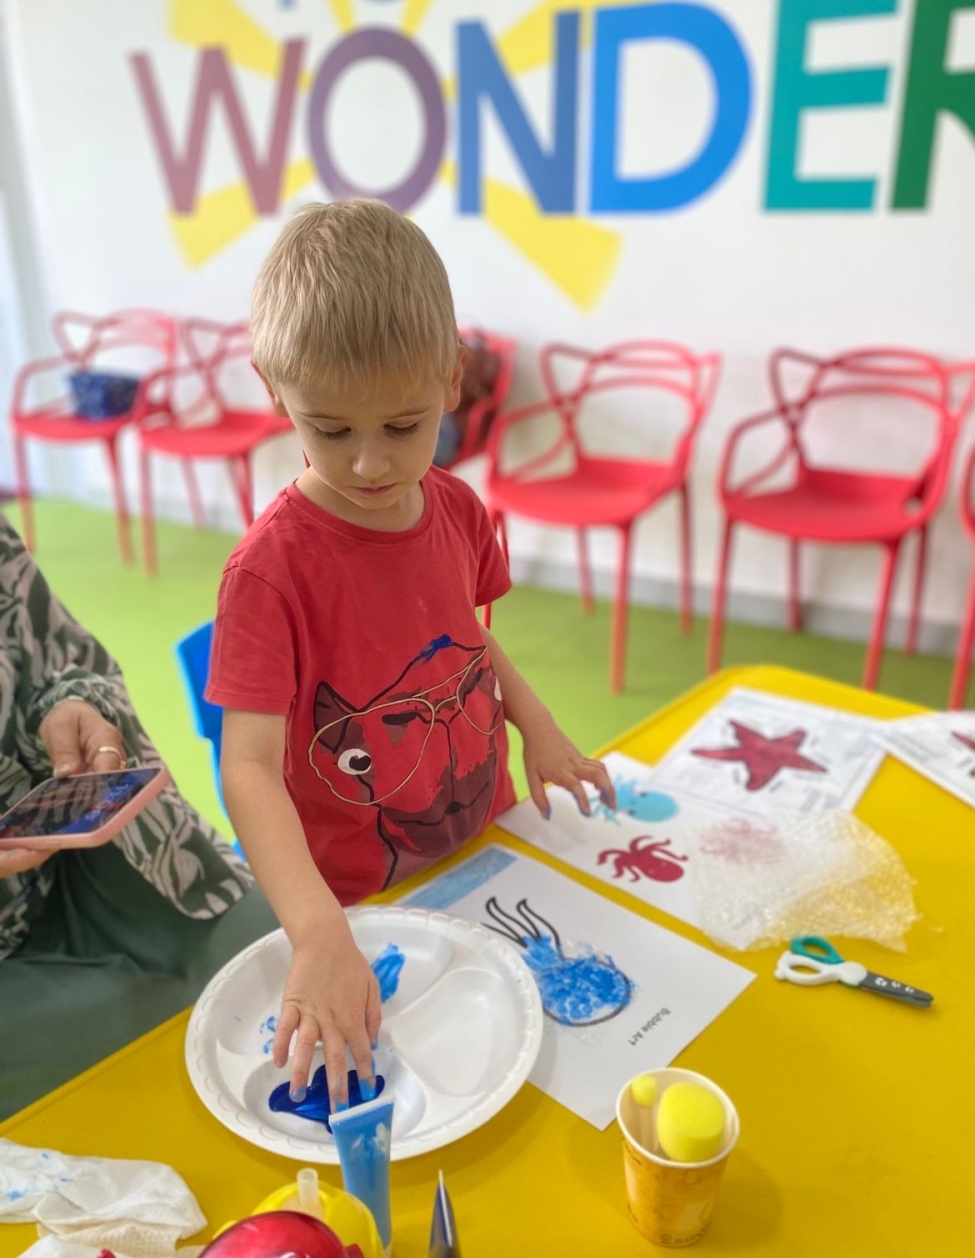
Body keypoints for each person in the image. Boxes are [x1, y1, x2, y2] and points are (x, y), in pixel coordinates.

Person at [207, 200, 615, 1114]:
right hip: (364, 911)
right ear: (274, 390)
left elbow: (469, 638)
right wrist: (316, 931)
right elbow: (248, 766)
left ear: (451, 379)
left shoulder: (461, 511)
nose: (367, 464)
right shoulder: (269, 576)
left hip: (486, 846)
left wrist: (538, 730)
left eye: (402, 424)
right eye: (330, 428)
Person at [0, 514, 277, 1120]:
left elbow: (58, 658)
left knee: (274, 952)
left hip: (86, 867)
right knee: (156, 1048)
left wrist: (69, 706)